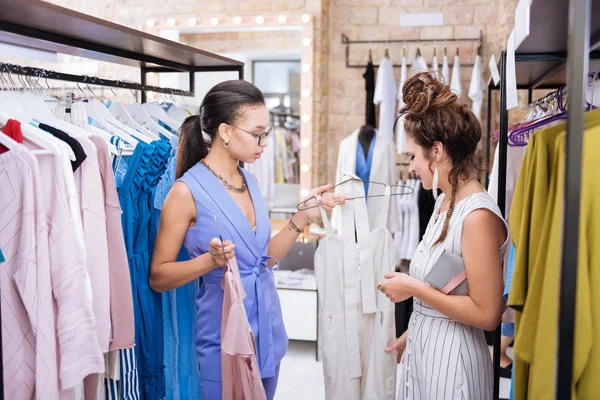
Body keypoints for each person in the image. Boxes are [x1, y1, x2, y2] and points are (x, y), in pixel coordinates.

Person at [149, 80, 344, 400]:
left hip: (267, 329)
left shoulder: (250, 182)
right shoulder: (185, 192)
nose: (264, 142)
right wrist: (209, 261)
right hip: (222, 336)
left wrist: (304, 215)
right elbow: (158, 275)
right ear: (225, 132)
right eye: (257, 133)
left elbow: (262, 258)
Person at [378, 71, 509, 400]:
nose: (410, 167)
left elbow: (487, 313)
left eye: (411, 156)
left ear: (435, 151)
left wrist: (412, 288)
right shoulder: (442, 201)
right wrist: (413, 331)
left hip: (454, 364)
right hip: (428, 352)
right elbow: (449, 285)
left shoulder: (476, 216)